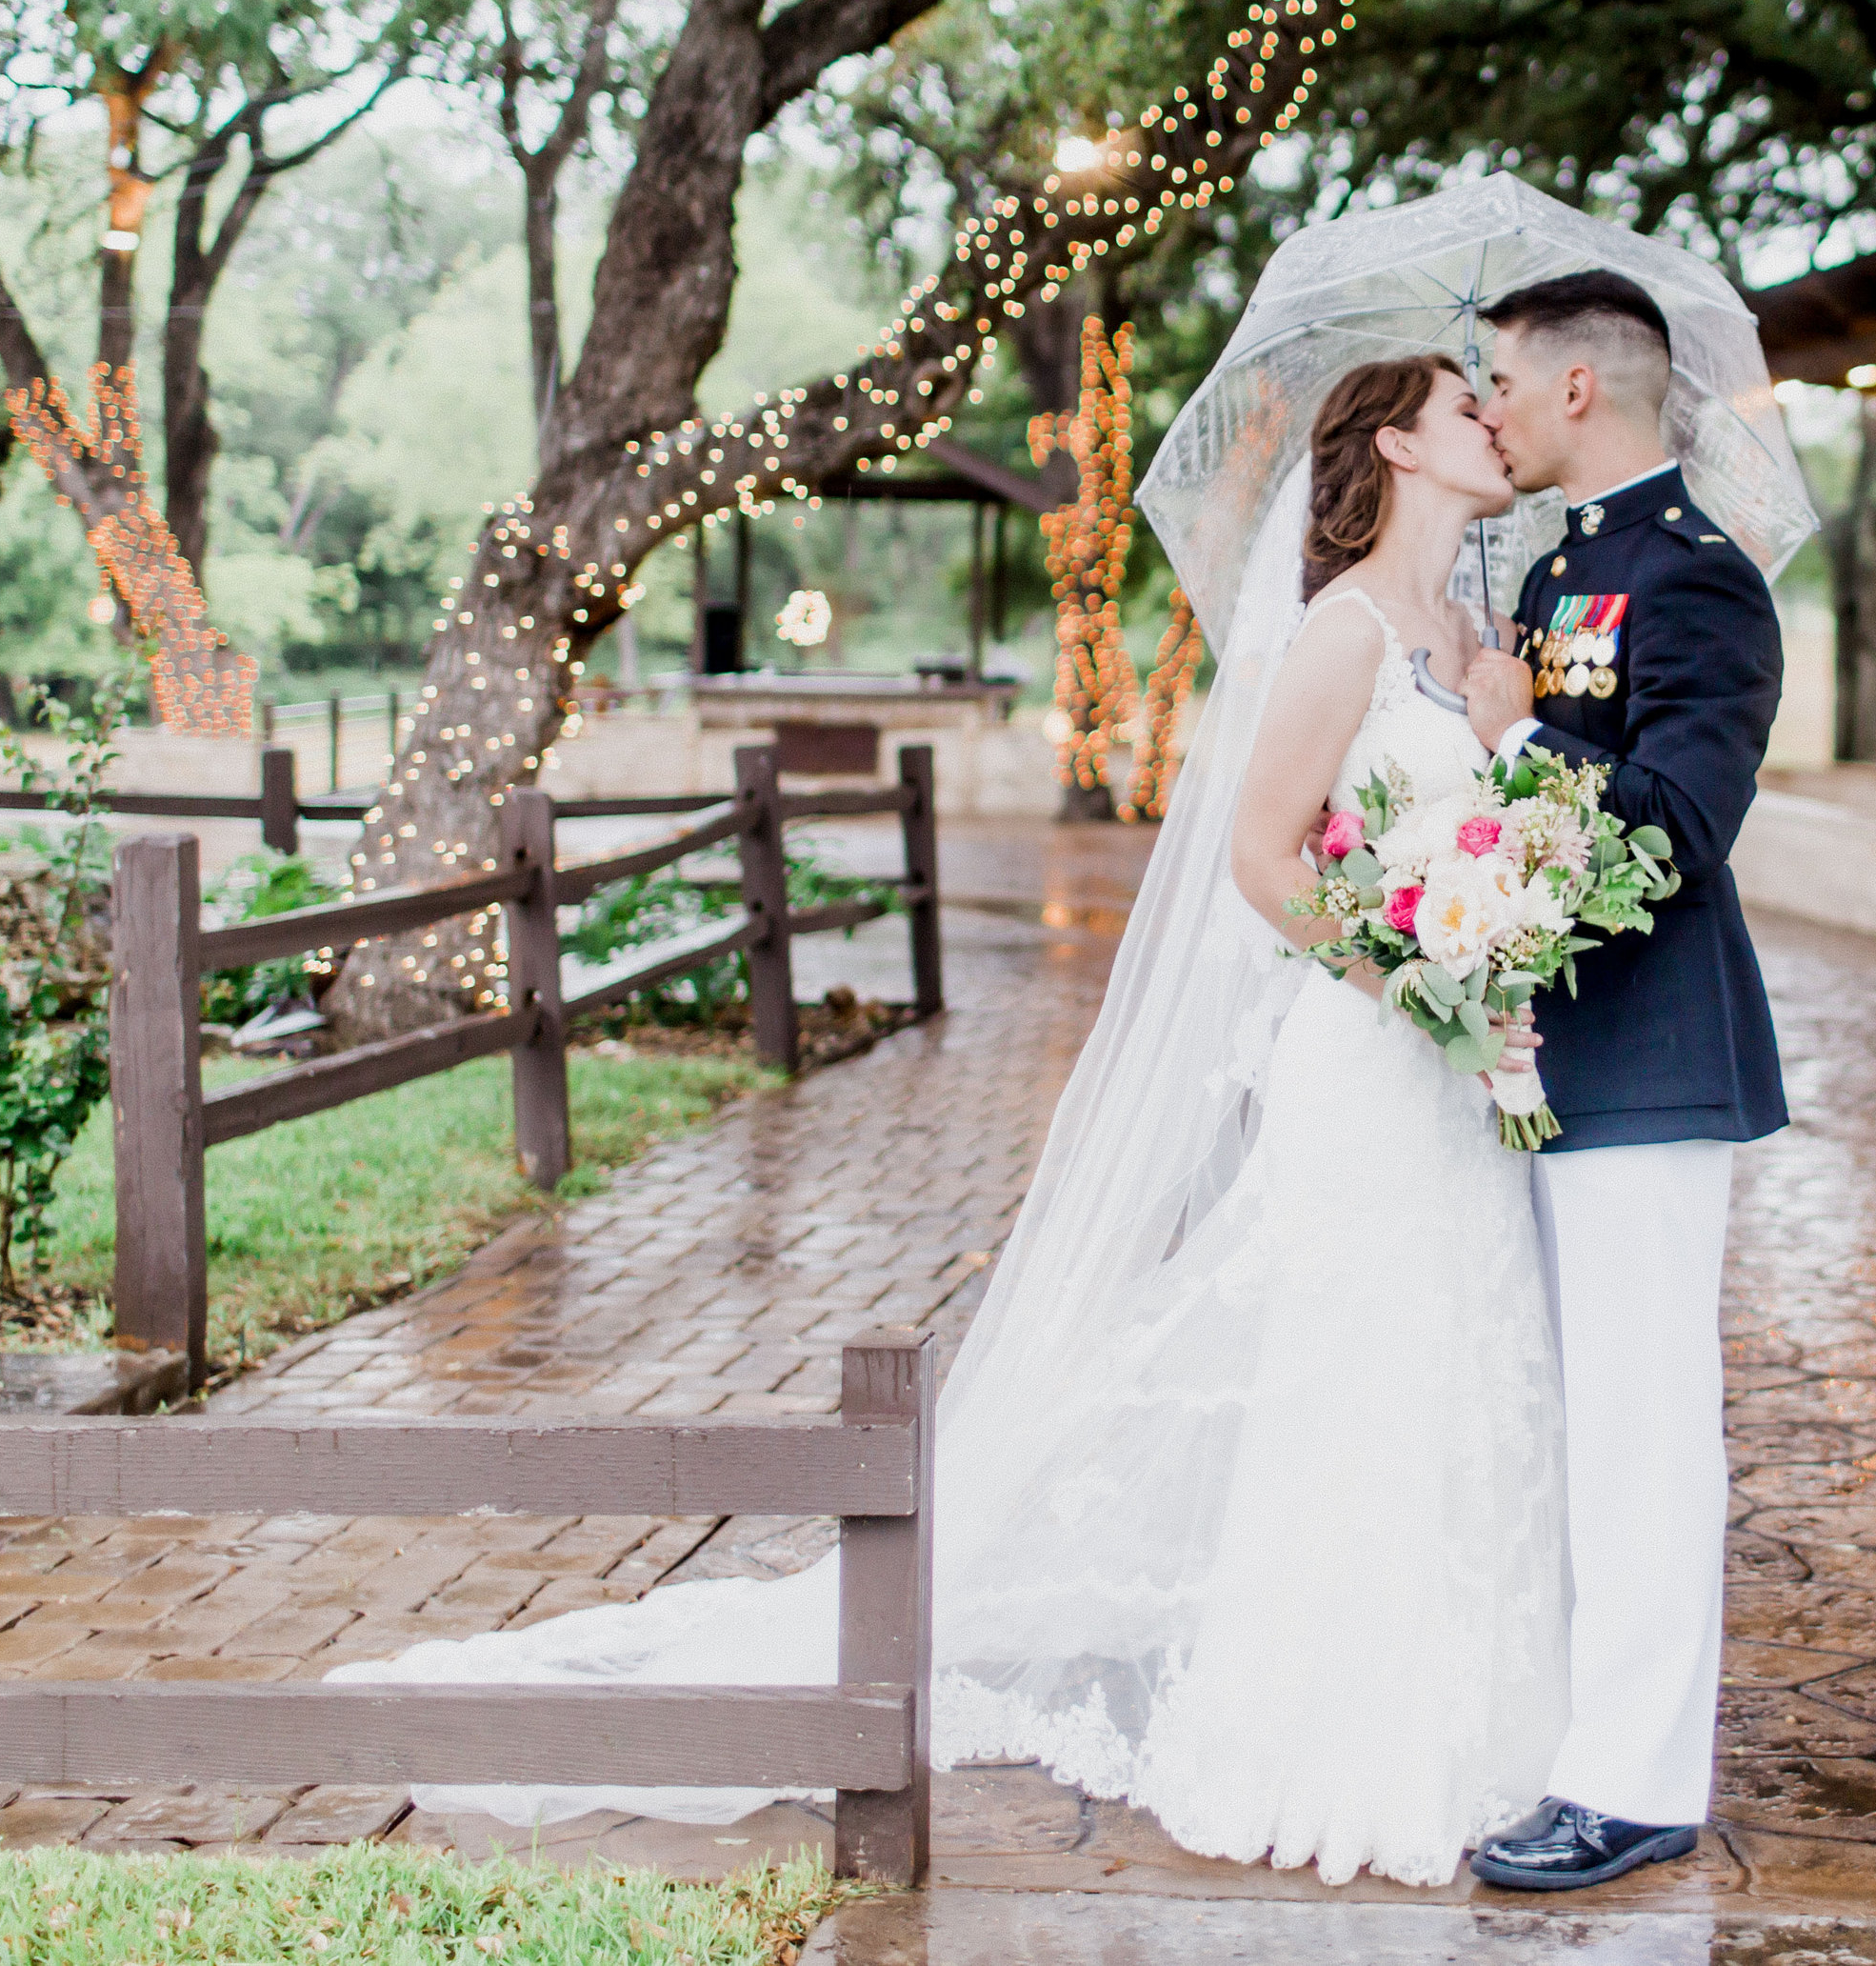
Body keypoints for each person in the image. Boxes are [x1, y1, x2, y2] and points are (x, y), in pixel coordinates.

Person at [339, 354, 1573, 1888]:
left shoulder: (1475, 638)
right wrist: (1418, 979)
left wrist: (1503, 824)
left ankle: (1476, 1722)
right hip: (1373, 1049)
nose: (1497, 422)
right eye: (1470, 404)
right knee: (1350, 1378)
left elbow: (1486, 839)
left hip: (1451, 1076)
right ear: (1397, 443)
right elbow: (1266, 860)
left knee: (1456, 1361)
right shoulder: (1345, 634)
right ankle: (1317, 1740)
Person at [1456, 270, 1789, 1893]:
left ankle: (1640, 1782)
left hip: (1652, 1056)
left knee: (1646, 1425)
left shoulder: (1700, 581)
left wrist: (1521, 738)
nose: (1490, 408)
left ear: (1582, 388)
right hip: (1541, 1049)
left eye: (1502, 381)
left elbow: (1676, 822)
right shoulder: (1551, 568)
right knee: (1568, 1419)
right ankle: (1575, 1731)